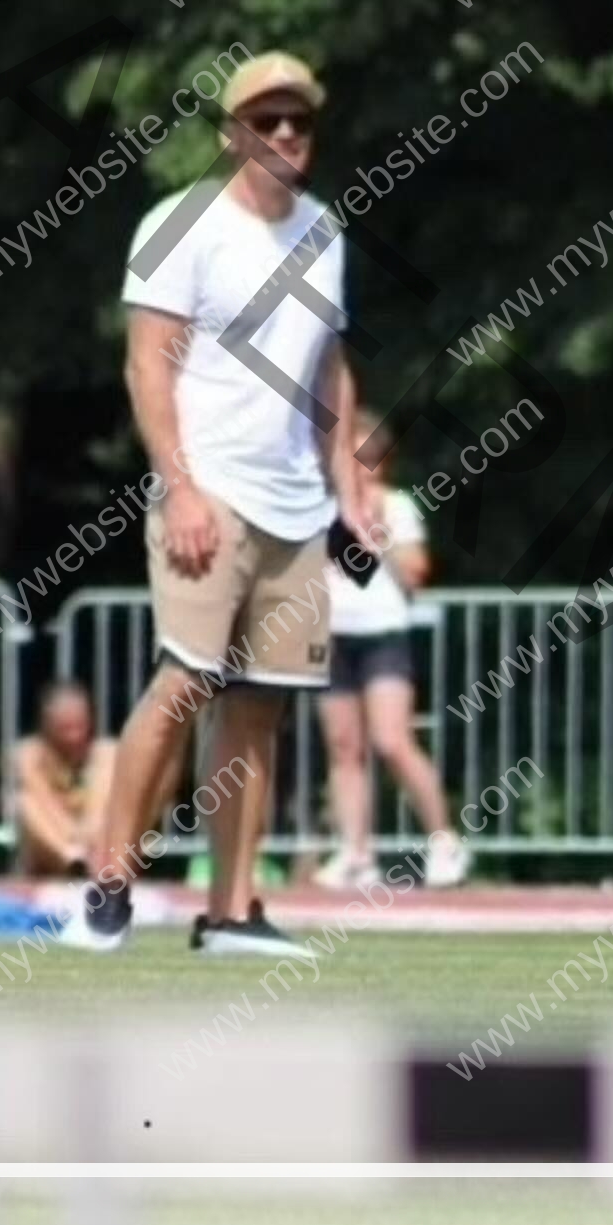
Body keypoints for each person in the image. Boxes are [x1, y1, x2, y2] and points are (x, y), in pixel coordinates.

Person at [61, 51, 375, 954]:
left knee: (262, 704)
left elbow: (329, 368)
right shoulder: (181, 223)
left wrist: (349, 491)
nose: (283, 135)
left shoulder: (324, 231)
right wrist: (181, 486)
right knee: (185, 681)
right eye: (265, 121)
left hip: (296, 504)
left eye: (298, 122)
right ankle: (108, 887)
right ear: (232, 131)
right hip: (210, 492)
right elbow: (145, 361)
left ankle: (231, 911)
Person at [310, 409, 470, 889]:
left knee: (391, 740)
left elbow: (417, 573)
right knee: (343, 748)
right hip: (333, 635)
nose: (358, 467)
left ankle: (444, 840)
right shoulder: (323, 507)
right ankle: (356, 852)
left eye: (366, 458)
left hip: (382, 633)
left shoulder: (398, 507)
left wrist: (380, 538)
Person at [13, 682, 115, 877]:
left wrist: (87, 837)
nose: (74, 737)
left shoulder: (105, 753)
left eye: (79, 726)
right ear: (47, 725)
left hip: (96, 844)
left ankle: (83, 861)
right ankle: (73, 861)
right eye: (65, 729)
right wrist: (71, 843)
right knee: (24, 803)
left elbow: (101, 808)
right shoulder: (30, 754)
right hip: (56, 846)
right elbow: (43, 803)